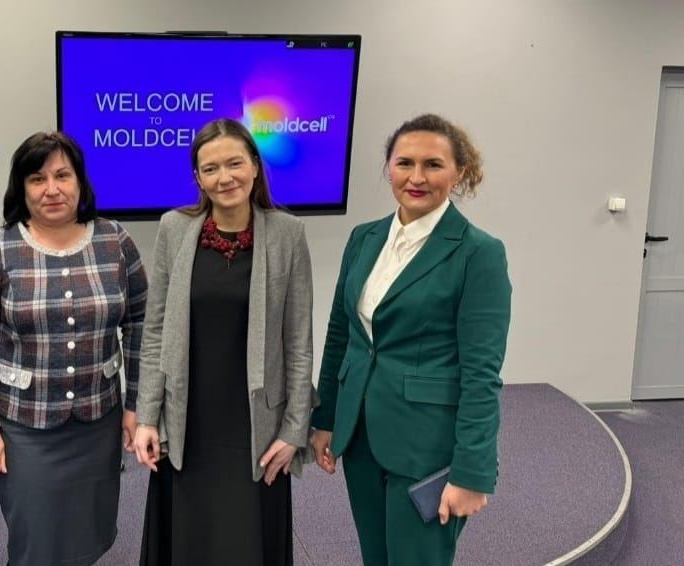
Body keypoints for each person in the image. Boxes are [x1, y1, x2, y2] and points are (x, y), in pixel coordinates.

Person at [310, 113, 511, 565]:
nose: (416, 177)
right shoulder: (364, 238)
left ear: (458, 172)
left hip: (426, 445)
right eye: (405, 163)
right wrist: (326, 419)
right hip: (361, 435)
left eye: (433, 164)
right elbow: (342, 334)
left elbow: (482, 374)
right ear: (389, 169)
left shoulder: (478, 253)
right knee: (376, 558)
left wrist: (473, 471)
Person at [0, 131, 148, 566]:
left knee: (89, 527)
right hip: (25, 426)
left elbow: (141, 324)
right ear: (21, 188)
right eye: (37, 179)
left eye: (63, 175)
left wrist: (136, 405)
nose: (52, 189)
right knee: (36, 535)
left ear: (80, 181)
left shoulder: (115, 241)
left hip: (98, 419)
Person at [132, 118, 315, 566]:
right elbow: (155, 331)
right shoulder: (175, 228)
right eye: (210, 168)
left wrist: (295, 430)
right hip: (188, 416)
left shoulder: (288, 233)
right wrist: (147, 417)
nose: (224, 177)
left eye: (234, 163)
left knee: (245, 539)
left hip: (257, 422)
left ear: (254, 166)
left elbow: (299, 342)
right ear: (198, 178)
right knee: (189, 538)